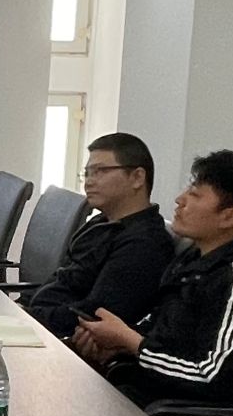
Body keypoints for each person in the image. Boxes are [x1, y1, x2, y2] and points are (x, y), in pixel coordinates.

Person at [76, 148, 233, 416]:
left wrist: (132, 343)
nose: (180, 200)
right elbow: (163, 332)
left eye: (195, 195)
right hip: (150, 398)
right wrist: (116, 347)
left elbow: (212, 376)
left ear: (229, 217)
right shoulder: (196, 260)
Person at [23, 132, 177, 339]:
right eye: (87, 173)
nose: (89, 182)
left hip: (56, 340)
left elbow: (93, 314)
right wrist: (21, 306)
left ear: (137, 178)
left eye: (100, 171)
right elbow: (62, 279)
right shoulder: (100, 222)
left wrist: (27, 316)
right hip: (39, 323)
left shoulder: (144, 244)